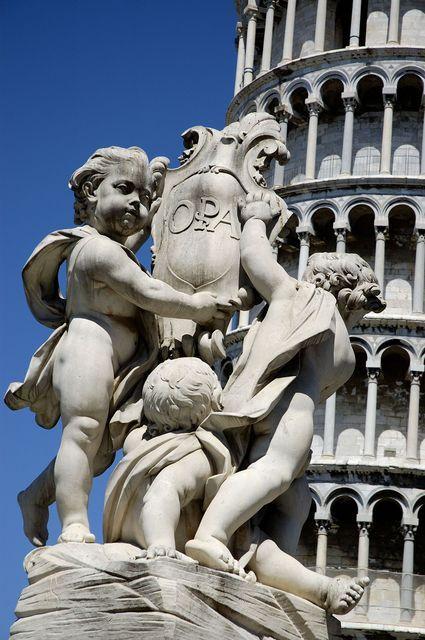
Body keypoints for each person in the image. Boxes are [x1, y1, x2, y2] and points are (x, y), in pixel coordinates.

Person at [5, 146, 235, 545]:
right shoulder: (95, 250)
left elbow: (135, 247)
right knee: (83, 433)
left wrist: (157, 205)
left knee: (100, 449)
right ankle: (75, 521)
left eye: (144, 199)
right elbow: (145, 290)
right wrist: (198, 306)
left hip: (123, 362)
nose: (136, 203)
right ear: (92, 190)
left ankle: (35, 496)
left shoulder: (115, 249)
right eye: (125, 189)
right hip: (88, 350)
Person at [185, 191, 386, 611]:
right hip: (293, 414)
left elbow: (258, 260)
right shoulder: (323, 317)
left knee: (289, 500)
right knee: (276, 475)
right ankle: (211, 534)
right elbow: (258, 259)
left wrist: (256, 220)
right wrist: (255, 218)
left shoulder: (295, 299)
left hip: (264, 406)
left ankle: (295, 579)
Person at [103, 356, 241, 562]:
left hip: (126, 533)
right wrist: (161, 542)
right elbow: (164, 489)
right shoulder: (196, 451)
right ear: (207, 405)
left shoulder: (138, 441)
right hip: (158, 534)